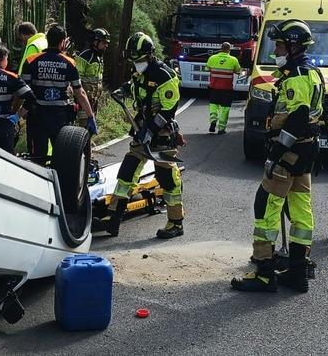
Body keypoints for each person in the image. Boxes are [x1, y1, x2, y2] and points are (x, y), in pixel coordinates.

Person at [231, 20, 323, 293]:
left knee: (266, 205)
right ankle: (297, 272)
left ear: (294, 46)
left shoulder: (295, 76)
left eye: (280, 44)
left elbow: (297, 118)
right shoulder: (312, 72)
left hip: (290, 153)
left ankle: (263, 272)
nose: (276, 49)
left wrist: (276, 154)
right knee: (300, 210)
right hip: (307, 154)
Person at [102, 32, 186, 240]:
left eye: (138, 60)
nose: (135, 64)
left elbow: (168, 111)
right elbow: (133, 85)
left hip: (162, 135)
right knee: (126, 174)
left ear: (149, 56)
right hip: (142, 132)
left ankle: (175, 222)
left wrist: (151, 131)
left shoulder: (165, 77)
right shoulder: (140, 72)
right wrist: (122, 90)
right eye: (133, 60)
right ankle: (113, 218)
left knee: (167, 179)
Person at [21, 25, 97, 165]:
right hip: (60, 118)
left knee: (36, 159)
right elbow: (79, 92)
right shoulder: (69, 62)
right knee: (61, 159)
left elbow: (23, 91)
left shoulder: (31, 60)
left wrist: (16, 114)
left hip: (37, 117)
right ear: (63, 42)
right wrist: (90, 116)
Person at [205, 41, 242, 134]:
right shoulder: (233, 60)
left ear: (221, 48)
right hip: (227, 89)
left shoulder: (212, 58)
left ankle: (213, 120)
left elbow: (207, 69)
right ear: (229, 50)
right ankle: (221, 128)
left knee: (213, 104)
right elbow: (238, 71)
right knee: (225, 108)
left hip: (214, 87)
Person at [74, 28, 110, 116]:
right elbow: (76, 79)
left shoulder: (99, 56)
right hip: (84, 100)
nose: (106, 46)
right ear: (95, 42)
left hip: (94, 99)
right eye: (104, 43)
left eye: (107, 43)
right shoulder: (85, 56)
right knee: (83, 125)